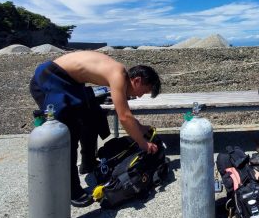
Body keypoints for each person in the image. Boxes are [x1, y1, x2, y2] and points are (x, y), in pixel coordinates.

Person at [29, 51, 161, 207]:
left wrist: (141, 128)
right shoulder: (118, 75)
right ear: (137, 81)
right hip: (50, 78)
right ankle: (72, 190)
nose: (139, 96)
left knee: (93, 115)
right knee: (68, 134)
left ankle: (89, 163)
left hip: (71, 83)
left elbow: (126, 114)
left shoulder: (118, 73)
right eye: (143, 92)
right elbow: (124, 117)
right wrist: (143, 143)